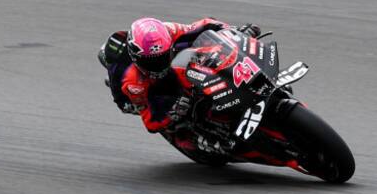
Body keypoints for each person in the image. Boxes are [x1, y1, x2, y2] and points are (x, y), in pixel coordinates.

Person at [98, 16, 261, 153]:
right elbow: (150, 121)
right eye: (152, 62)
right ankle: (205, 142)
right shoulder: (132, 82)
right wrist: (172, 111)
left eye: (162, 57)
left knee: (200, 45)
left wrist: (234, 32)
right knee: (176, 114)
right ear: (136, 58)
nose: (159, 64)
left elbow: (203, 26)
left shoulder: (169, 32)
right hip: (145, 94)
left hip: (171, 61)